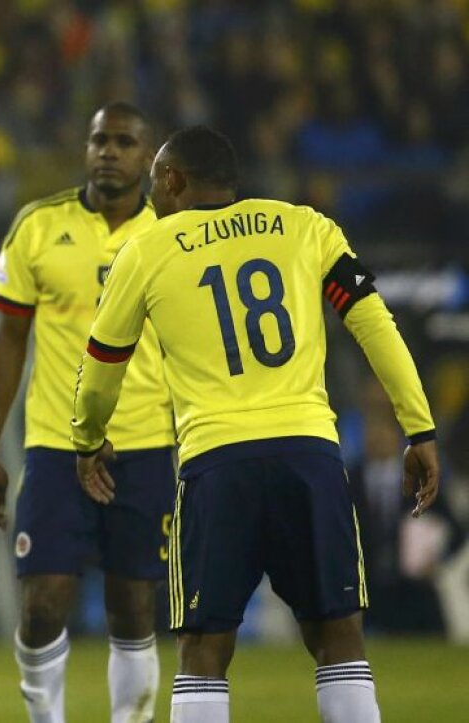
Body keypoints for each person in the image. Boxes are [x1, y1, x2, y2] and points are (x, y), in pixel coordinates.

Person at [72, 125, 439, 723]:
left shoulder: (147, 249)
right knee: (338, 639)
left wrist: (87, 439)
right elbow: (375, 325)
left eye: (154, 181)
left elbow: (102, 363)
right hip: (310, 457)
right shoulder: (306, 226)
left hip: (218, 464)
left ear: (172, 180)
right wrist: (418, 428)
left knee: (204, 649)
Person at [0, 102, 175, 723]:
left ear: (149, 158)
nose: (107, 151)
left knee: (134, 610)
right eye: (98, 140)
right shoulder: (37, 226)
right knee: (41, 607)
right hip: (56, 448)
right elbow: (8, 342)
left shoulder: (171, 236)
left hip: (143, 445)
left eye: (123, 141)